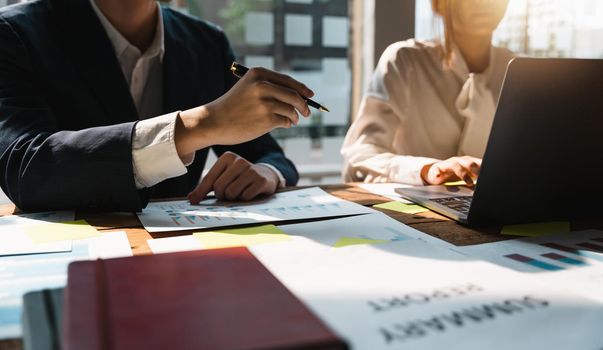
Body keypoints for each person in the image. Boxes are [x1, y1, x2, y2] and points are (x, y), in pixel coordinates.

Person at [0, 0, 314, 211]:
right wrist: (198, 126)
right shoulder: (16, 33)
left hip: (185, 257)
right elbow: (26, 167)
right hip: (77, 260)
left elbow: (269, 155)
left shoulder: (206, 41)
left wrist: (265, 173)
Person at [341, 0, 514, 186]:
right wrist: (426, 170)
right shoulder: (405, 61)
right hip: (418, 210)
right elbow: (358, 159)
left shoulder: (518, 69)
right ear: (438, 4)